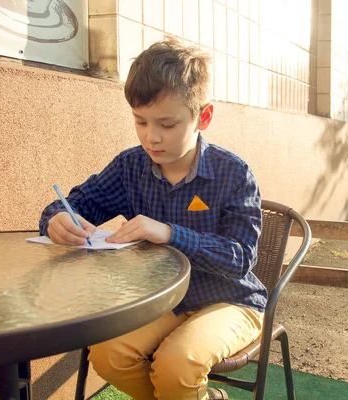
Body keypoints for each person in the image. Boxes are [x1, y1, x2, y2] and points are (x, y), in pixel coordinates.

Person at [39, 38, 266, 400]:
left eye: (167, 124)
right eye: (140, 121)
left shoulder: (233, 173)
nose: (151, 136)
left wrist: (170, 233)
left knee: (177, 364)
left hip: (231, 302)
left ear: (202, 117)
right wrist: (58, 218)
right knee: (109, 354)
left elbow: (240, 259)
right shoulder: (131, 166)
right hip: (159, 301)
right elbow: (79, 203)